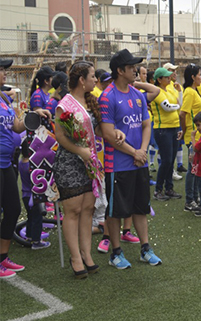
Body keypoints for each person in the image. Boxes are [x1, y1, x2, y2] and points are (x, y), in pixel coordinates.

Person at [99, 49, 162, 269]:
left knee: (140, 207)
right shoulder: (107, 96)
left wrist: (142, 151)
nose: (136, 70)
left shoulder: (136, 94)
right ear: (119, 70)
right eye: (131, 66)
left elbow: (146, 124)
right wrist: (133, 152)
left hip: (139, 161)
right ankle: (116, 252)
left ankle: (146, 249)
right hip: (118, 164)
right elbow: (107, 133)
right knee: (116, 210)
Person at [53, 61, 111, 278]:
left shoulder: (90, 100)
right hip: (69, 162)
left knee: (88, 208)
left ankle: (87, 254)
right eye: (92, 76)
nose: (95, 80)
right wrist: (81, 151)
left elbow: (98, 129)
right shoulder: (65, 104)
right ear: (81, 80)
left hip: (89, 161)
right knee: (74, 210)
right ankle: (75, 257)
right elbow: (60, 136)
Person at [0, 59, 50, 278]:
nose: (4, 74)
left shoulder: (3, 100)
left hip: (6, 163)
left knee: (11, 210)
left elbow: (16, 126)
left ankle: (3, 257)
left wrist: (34, 113)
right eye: (1, 70)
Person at [150, 67, 184, 202]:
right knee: (166, 160)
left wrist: (180, 92)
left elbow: (179, 104)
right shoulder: (157, 91)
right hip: (162, 129)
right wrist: (176, 106)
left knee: (171, 160)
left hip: (173, 127)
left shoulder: (169, 88)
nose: (169, 78)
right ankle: (158, 190)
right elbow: (167, 107)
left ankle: (169, 188)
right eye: (166, 77)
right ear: (159, 79)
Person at [180, 64, 201, 212]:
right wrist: (184, 131)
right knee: (192, 169)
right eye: (199, 74)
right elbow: (183, 113)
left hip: (197, 136)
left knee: (196, 168)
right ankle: (190, 200)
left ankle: (195, 197)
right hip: (193, 137)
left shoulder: (195, 91)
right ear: (192, 77)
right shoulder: (190, 92)